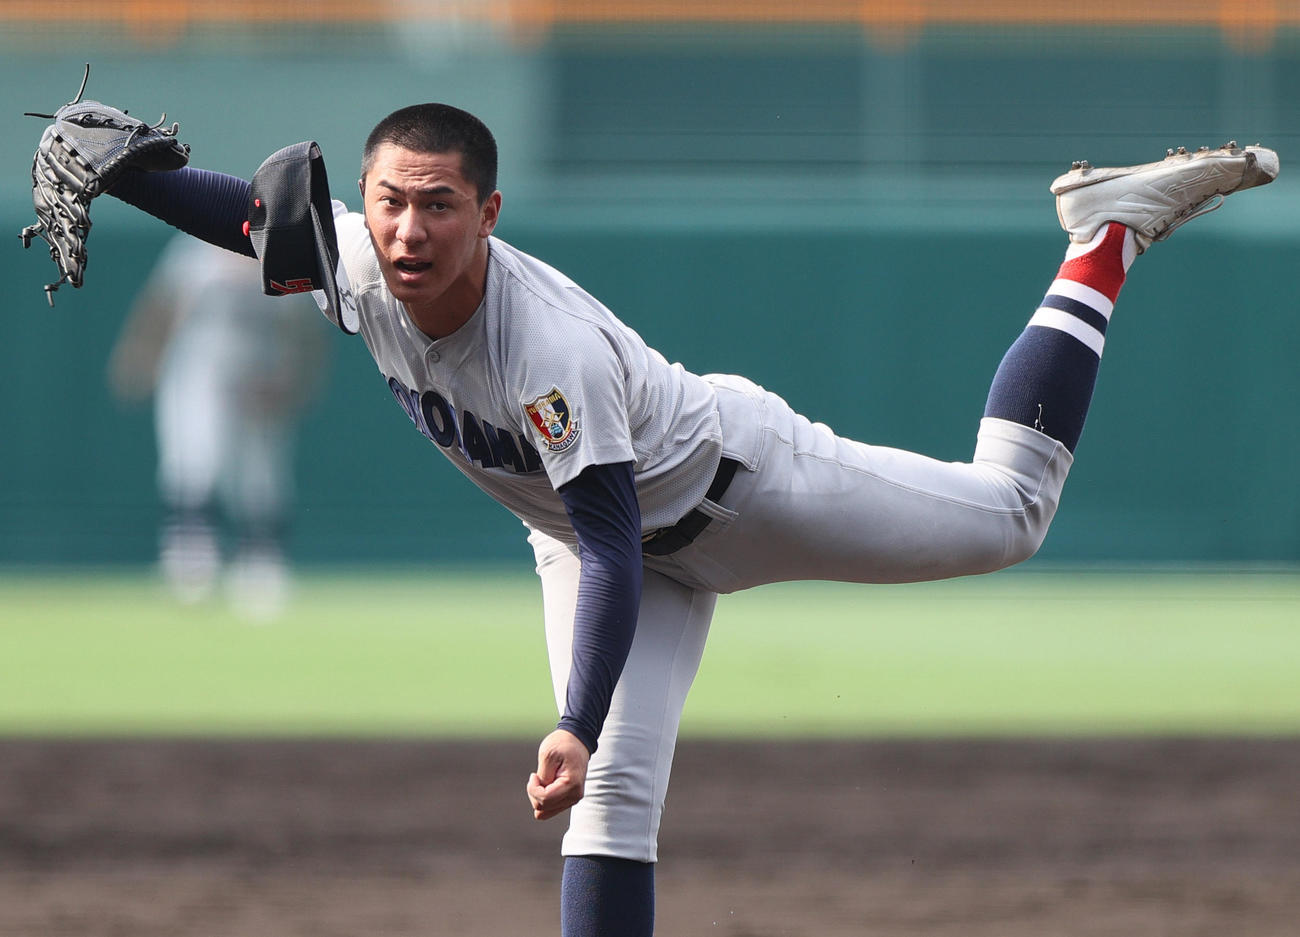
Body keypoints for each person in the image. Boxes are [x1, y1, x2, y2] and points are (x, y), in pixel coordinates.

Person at [95, 108, 1275, 934]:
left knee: (1011, 514)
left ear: (489, 211)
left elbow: (612, 536)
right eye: (390, 203)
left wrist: (571, 716)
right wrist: (117, 171)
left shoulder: (542, 346)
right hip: (589, 539)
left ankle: (1101, 235)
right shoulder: (357, 261)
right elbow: (247, 218)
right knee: (612, 797)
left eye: (438, 206)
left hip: (735, 489)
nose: (407, 229)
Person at [107, 233, 327, 620]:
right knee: (193, 463)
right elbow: (160, 308)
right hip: (196, 371)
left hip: (257, 374)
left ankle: (260, 567)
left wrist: (293, 381)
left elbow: (304, 331)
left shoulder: (280, 258)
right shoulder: (193, 253)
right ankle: (191, 563)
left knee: (260, 479)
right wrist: (140, 355)